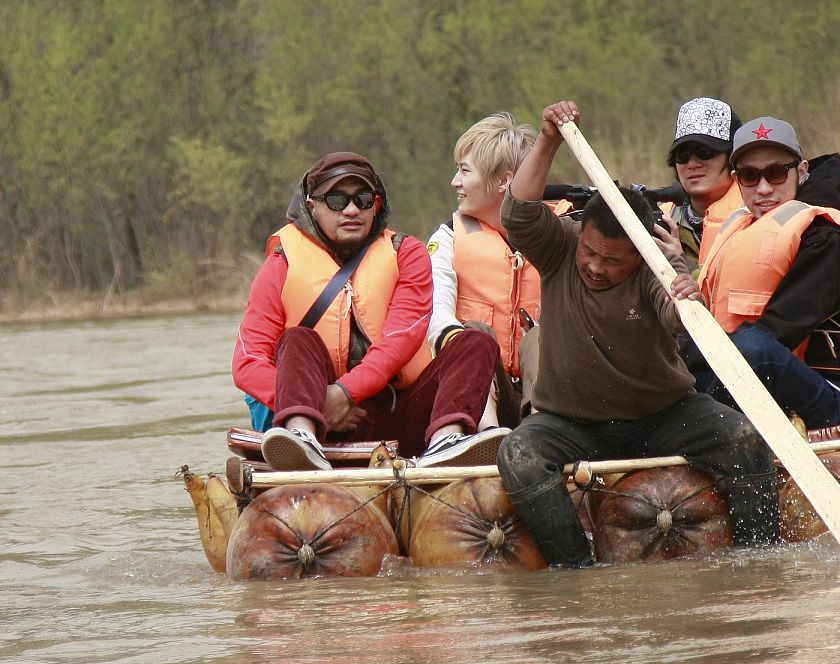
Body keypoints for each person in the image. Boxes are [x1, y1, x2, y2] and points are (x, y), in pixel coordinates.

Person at [496, 100, 781, 568]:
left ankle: (760, 563)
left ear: (638, 254)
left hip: (662, 415)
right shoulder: (560, 244)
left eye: (612, 261)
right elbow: (519, 211)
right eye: (590, 253)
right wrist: (548, 136)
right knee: (519, 453)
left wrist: (686, 296)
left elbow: (675, 314)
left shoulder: (656, 264)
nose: (594, 267)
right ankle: (577, 570)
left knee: (744, 439)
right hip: (573, 423)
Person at [233, 151, 508, 471]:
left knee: (475, 342)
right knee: (297, 338)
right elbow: (248, 362)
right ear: (312, 206)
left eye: (363, 198)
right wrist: (318, 405)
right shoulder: (282, 260)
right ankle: (301, 436)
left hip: (398, 410)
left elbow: (400, 341)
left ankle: (445, 441)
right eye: (337, 200)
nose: (352, 209)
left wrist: (345, 394)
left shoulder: (406, 252)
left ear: (376, 204)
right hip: (324, 422)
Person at [691, 117, 840, 431]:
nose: (764, 188)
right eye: (751, 176)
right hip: (754, 376)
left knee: (756, 351)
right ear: (737, 181)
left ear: (802, 171)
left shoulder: (828, 238)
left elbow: (777, 333)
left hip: (835, 394)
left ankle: (696, 424)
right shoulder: (740, 228)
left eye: (777, 173)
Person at [425, 113, 561, 428]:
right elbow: (436, 311)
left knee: (542, 337)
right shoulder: (448, 238)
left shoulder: (560, 235)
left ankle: (545, 432)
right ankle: (481, 434)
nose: (454, 182)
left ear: (503, 181)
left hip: (546, 392)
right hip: (479, 389)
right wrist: (457, 340)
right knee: (474, 337)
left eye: (464, 171)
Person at [663, 97, 746, 272]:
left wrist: (680, 263)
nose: (692, 163)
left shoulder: (755, 214)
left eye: (704, 152)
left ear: (733, 158)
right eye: (683, 155)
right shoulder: (663, 218)